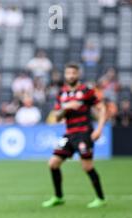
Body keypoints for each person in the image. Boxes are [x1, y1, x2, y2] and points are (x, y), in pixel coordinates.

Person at [42, 63, 108, 209]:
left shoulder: (86, 90)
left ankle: (101, 198)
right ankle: (58, 197)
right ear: (65, 75)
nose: (71, 76)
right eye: (68, 73)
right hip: (69, 134)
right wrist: (67, 107)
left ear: (78, 74)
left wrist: (99, 129)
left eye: (73, 73)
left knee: (87, 166)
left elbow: (102, 108)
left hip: (84, 133)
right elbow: (57, 117)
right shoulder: (62, 93)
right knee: (53, 163)